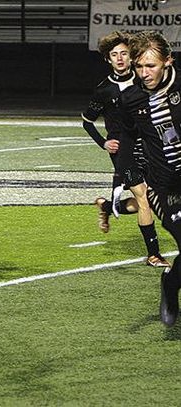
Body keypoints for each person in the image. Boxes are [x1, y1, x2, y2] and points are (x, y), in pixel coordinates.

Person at [82, 31, 169, 268]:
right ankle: (153, 255)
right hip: (123, 150)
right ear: (107, 60)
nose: (120, 58)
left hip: (149, 145)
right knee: (143, 197)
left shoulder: (145, 80)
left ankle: (108, 206)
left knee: (150, 198)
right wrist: (103, 143)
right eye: (114, 55)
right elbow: (87, 121)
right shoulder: (104, 90)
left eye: (124, 53)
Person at [115, 30, 181, 326]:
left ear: (168, 61)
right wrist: (124, 178)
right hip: (163, 186)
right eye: (139, 66)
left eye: (150, 66)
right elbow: (127, 138)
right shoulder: (131, 99)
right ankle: (170, 286)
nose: (144, 73)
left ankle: (171, 279)